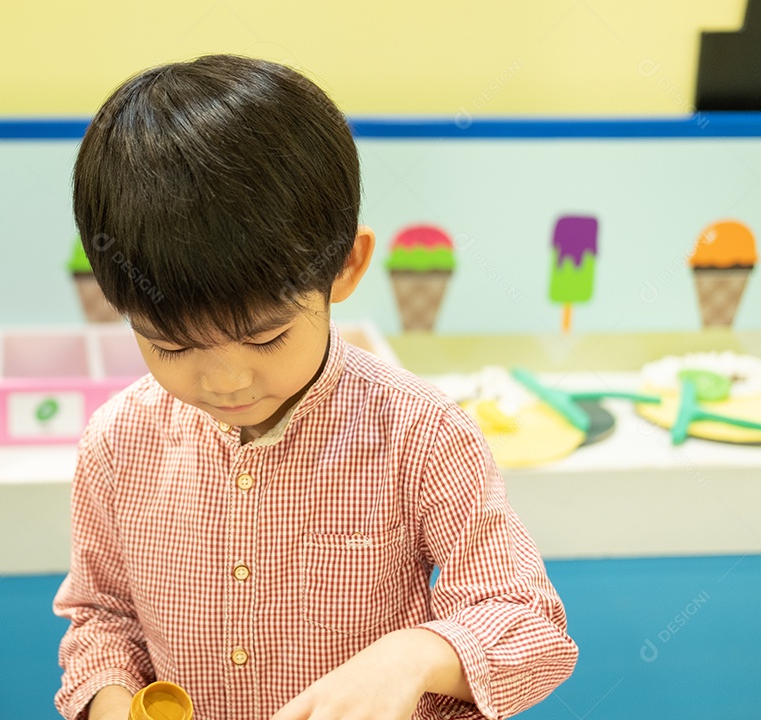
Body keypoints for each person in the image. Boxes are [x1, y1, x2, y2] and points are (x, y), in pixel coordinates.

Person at [54, 54, 577, 720]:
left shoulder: (421, 433)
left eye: (267, 337)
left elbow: (530, 625)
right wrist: (111, 701)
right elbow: (101, 616)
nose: (227, 380)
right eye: (173, 345)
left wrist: (414, 655)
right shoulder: (117, 443)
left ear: (347, 268)